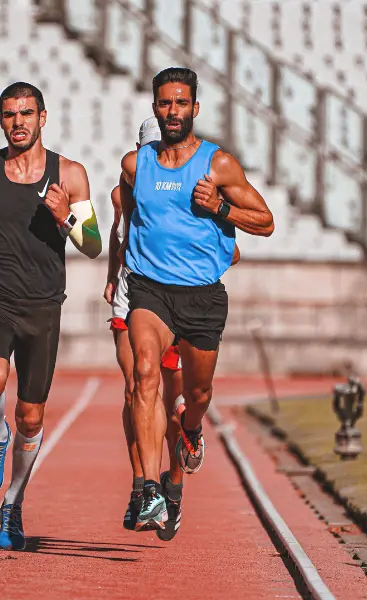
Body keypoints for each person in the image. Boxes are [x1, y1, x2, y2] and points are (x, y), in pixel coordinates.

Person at [0, 81, 102, 551]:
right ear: (1, 120)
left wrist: (66, 217)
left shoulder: (70, 175)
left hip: (43, 303)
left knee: (31, 418)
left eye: (26, 113)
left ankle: (12, 504)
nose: (18, 122)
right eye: (10, 114)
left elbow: (93, 246)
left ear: (43, 117)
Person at [118, 67, 274, 531]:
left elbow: (265, 222)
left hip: (202, 296)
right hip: (150, 289)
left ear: (195, 109)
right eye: (165, 103)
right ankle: (147, 490)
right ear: (154, 109)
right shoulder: (133, 165)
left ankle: (189, 429)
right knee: (144, 372)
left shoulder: (217, 164)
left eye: (181, 103)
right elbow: (129, 222)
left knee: (196, 394)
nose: (173, 111)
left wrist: (219, 207)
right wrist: (117, 274)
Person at [106, 117, 241, 540]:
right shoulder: (124, 188)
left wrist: (195, 254)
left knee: (179, 400)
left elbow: (233, 250)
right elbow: (119, 235)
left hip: (185, 294)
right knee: (138, 387)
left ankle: (174, 487)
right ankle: (142, 487)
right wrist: (114, 277)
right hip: (139, 291)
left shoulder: (190, 184)